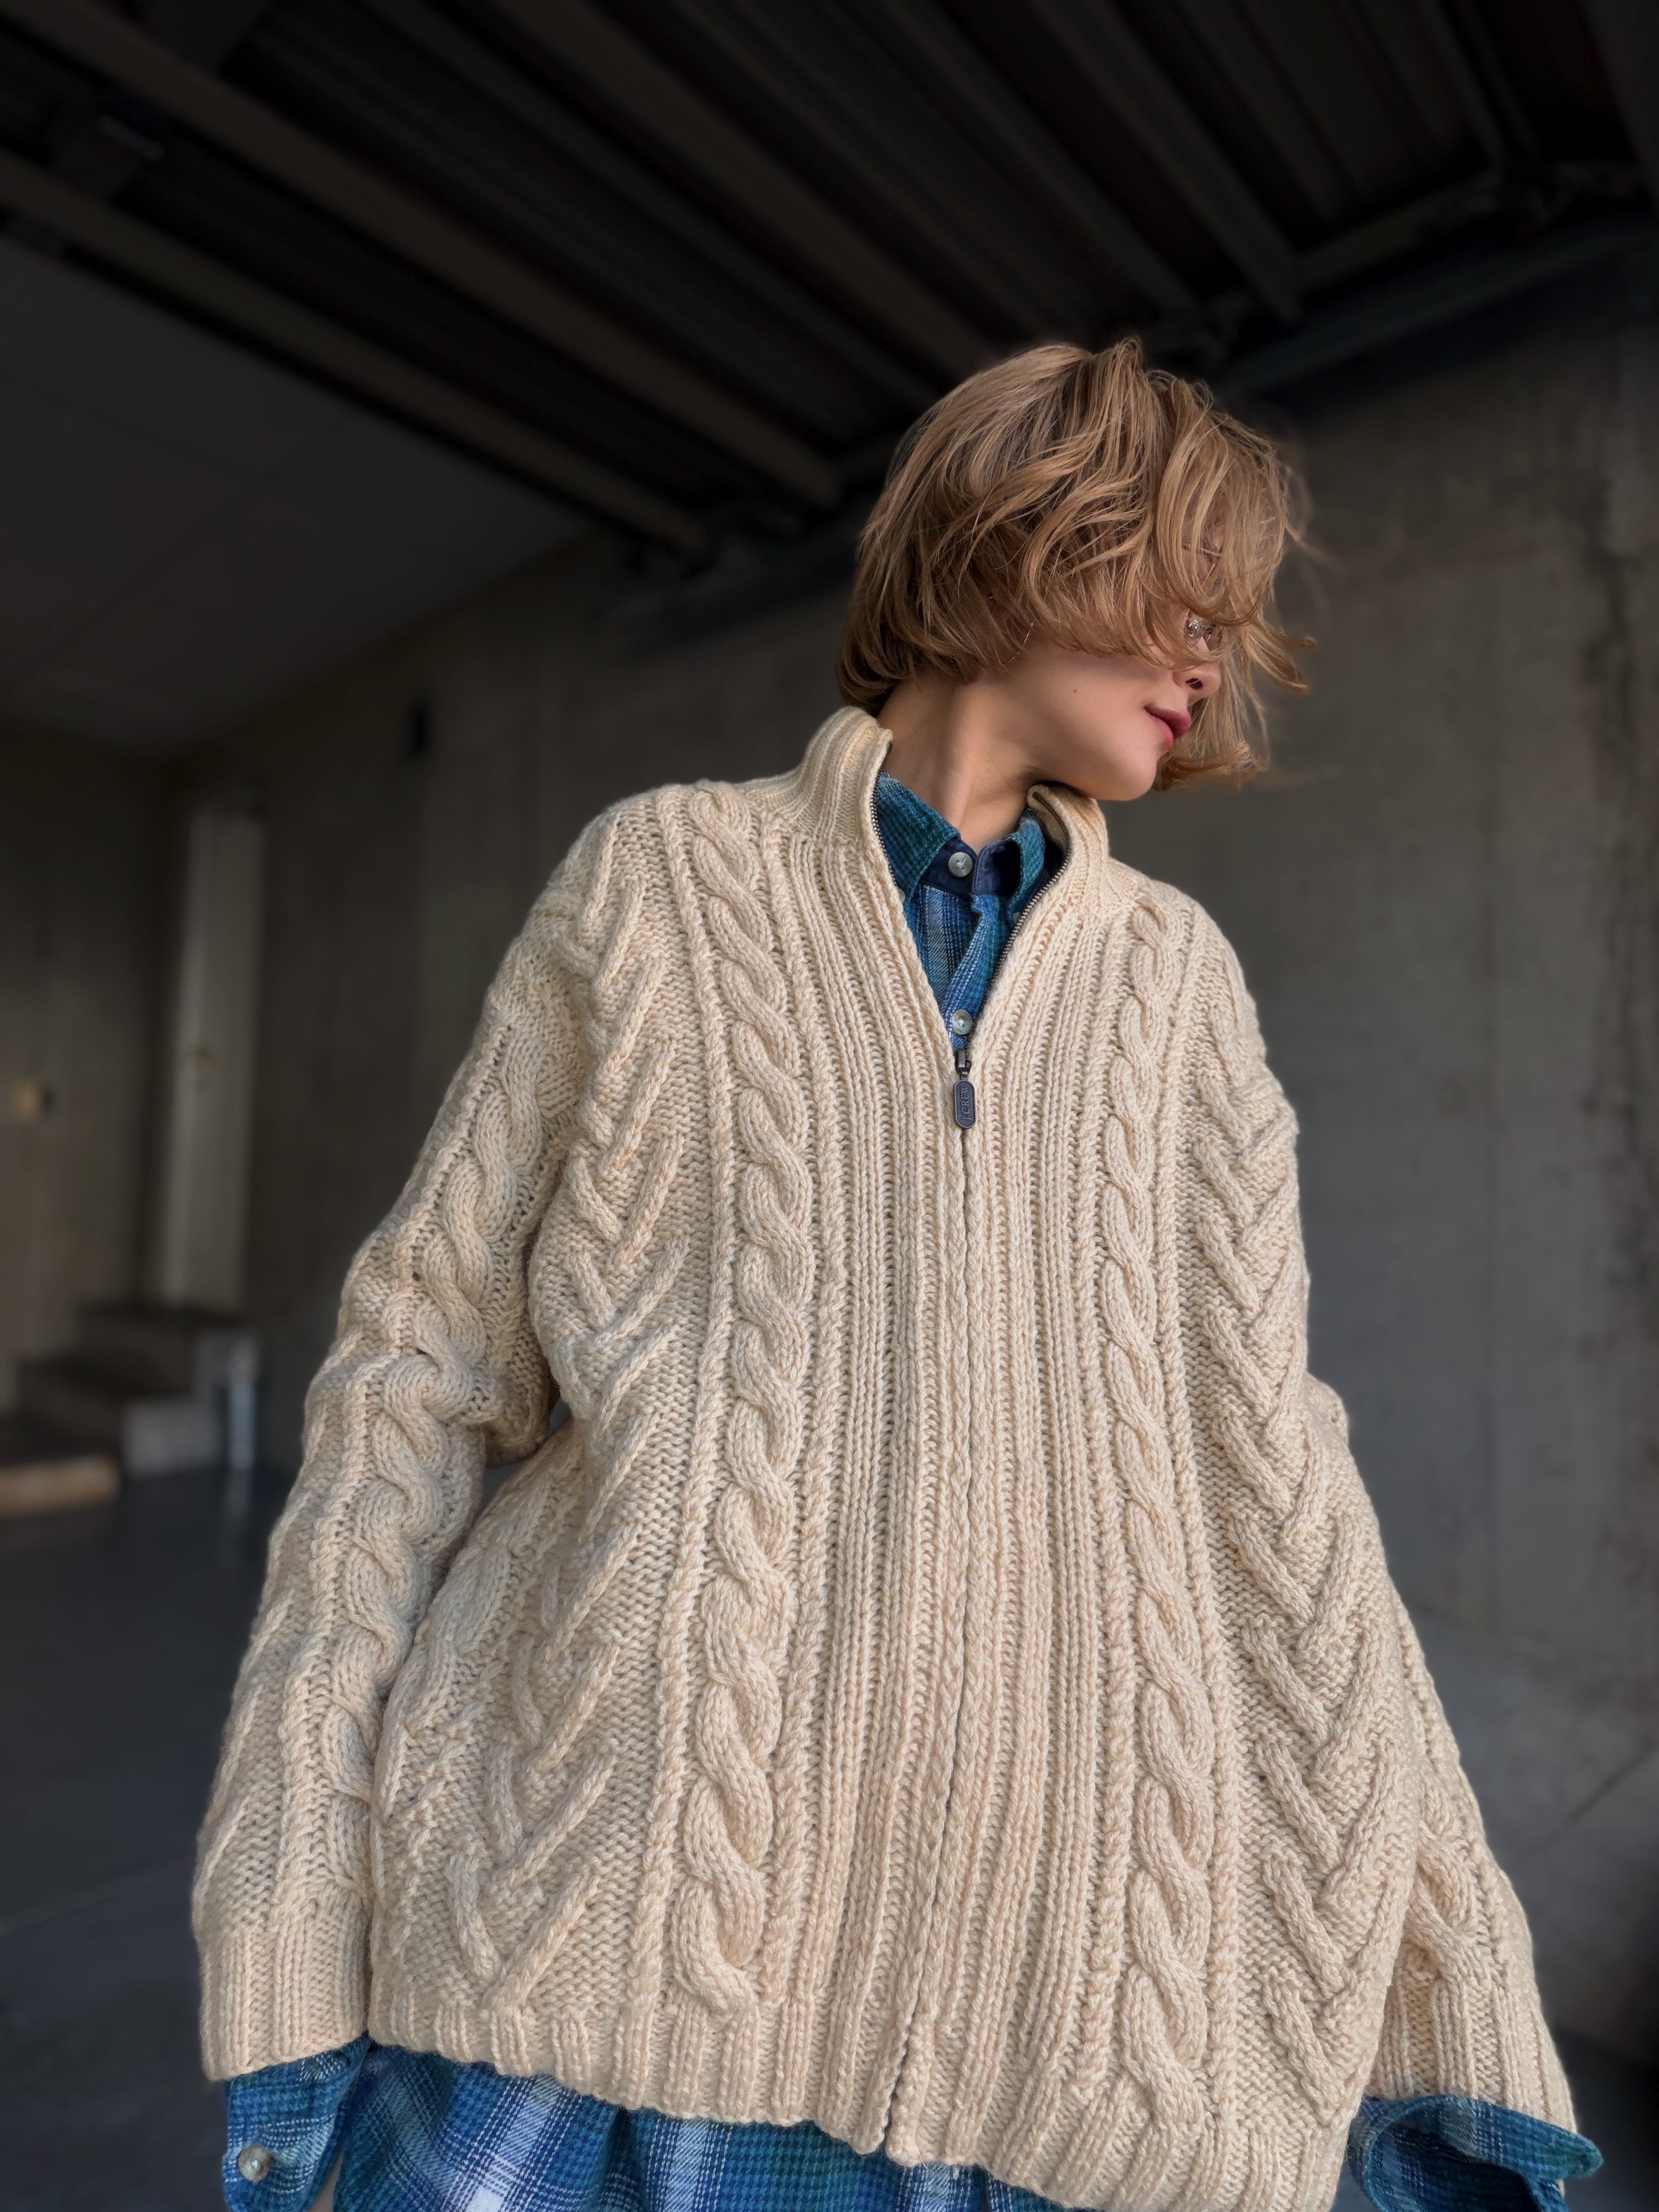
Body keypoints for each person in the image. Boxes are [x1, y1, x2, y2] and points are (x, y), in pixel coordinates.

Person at [195, 340, 1602, 2212]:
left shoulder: (1179, 990)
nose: (1213, 660)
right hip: (591, 1971)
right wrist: (285, 1885)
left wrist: (1457, 1982)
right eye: (1183, 591)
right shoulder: (657, 885)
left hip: (1042, 2033)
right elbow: (415, 1382)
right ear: (1023, 537)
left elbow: (1281, 1486)